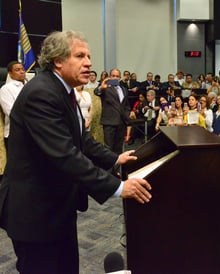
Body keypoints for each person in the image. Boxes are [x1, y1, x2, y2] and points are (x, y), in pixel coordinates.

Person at [0, 30, 152, 274]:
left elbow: (81, 139)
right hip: (34, 213)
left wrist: (115, 158)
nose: (89, 63)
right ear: (58, 61)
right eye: (80, 56)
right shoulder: (42, 93)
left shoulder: (63, 89)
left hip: (57, 207)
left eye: (89, 56)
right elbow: (64, 154)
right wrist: (118, 187)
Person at [95, 68, 132, 154]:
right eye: (113, 76)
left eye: (117, 76)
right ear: (109, 77)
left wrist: (127, 117)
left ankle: (117, 167)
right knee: (108, 148)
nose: (115, 78)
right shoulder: (106, 87)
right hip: (109, 122)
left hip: (121, 122)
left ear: (120, 78)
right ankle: (108, 167)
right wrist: (101, 87)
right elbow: (96, 92)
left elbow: (126, 106)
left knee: (118, 148)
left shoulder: (124, 89)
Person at [0, 61, 26, 149]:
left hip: (32, 133)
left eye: (23, 69)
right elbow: (11, 112)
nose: (22, 71)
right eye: (17, 70)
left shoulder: (30, 86)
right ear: (10, 74)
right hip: (14, 134)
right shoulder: (6, 89)